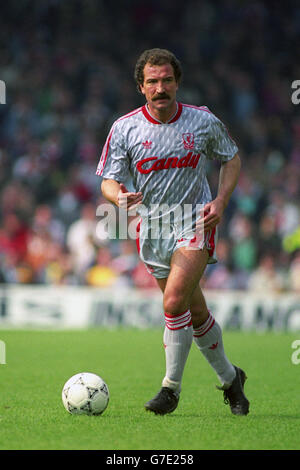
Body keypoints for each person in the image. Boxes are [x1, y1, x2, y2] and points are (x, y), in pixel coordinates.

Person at [97, 48, 249, 416]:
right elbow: (108, 180)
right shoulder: (124, 128)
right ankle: (232, 380)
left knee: (173, 301)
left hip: (194, 221)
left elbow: (231, 157)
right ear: (141, 87)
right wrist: (119, 198)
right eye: (153, 81)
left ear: (177, 82)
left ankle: (170, 389)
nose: (160, 87)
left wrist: (221, 201)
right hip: (152, 230)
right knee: (193, 310)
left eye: (167, 80)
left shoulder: (201, 121)